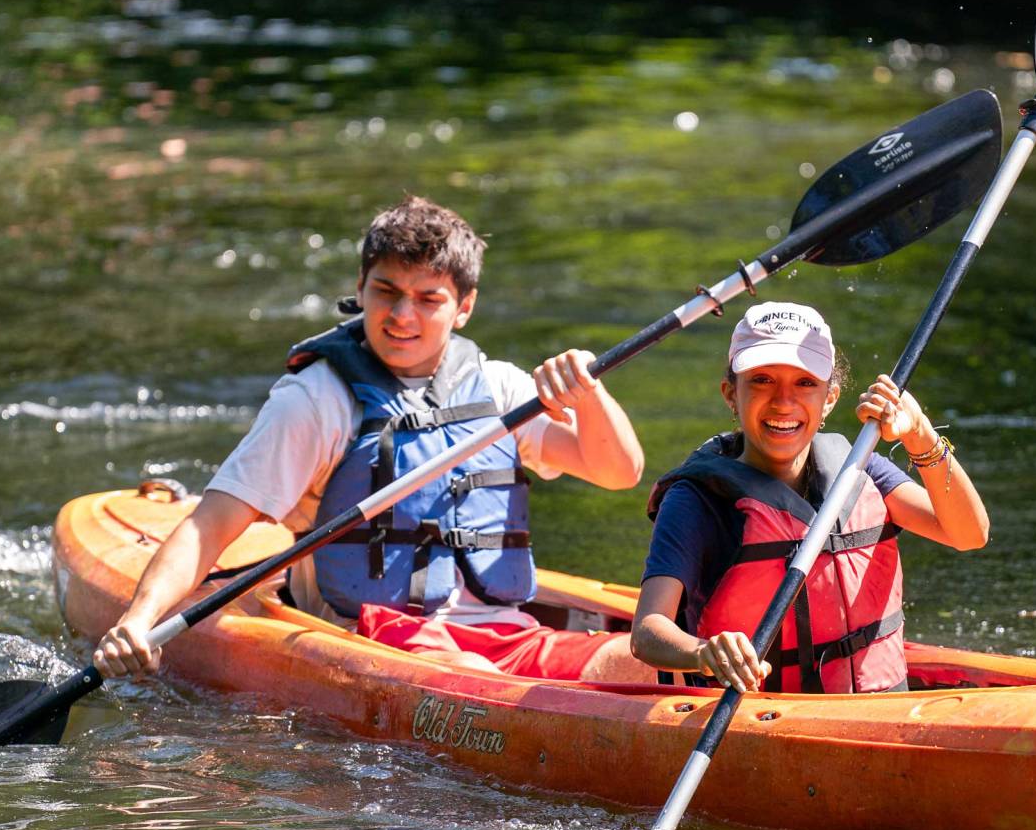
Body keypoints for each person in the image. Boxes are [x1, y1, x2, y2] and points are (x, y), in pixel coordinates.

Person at [94, 195, 648, 682]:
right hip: (370, 635)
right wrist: (137, 621)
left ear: (464, 307)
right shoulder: (316, 400)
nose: (402, 315)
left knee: (642, 662)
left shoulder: (500, 387)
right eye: (386, 291)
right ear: (360, 288)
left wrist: (589, 395)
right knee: (472, 673)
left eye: (428, 299)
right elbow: (210, 523)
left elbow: (618, 471)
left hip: (506, 633)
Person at [631, 301, 988, 694]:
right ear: (731, 394)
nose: (784, 402)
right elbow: (647, 631)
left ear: (830, 397)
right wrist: (703, 651)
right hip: (755, 721)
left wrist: (920, 434)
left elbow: (969, 534)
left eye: (804, 383)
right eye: (762, 380)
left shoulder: (859, 467)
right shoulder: (699, 498)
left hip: (881, 710)